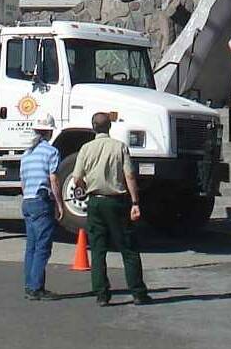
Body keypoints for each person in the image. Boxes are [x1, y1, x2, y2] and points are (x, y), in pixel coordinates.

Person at [68, 112, 150, 306]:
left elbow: (76, 176)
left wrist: (83, 188)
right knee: (128, 248)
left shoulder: (86, 148)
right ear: (109, 127)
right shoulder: (119, 147)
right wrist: (135, 202)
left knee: (97, 249)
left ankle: (102, 294)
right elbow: (129, 175)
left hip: (95, 201)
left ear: (93, 127)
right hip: (116, 201)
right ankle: (138, 292)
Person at [19, 113, 63, 300]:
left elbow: (22, 182)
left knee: (31, 246)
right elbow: (53, 178)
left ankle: (31, 285)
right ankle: (36, 288)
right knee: (43, 247)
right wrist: (59, 203)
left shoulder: (26, 154)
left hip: (27, 201)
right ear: (49, 132)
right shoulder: (51, 152)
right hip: (41, 199)